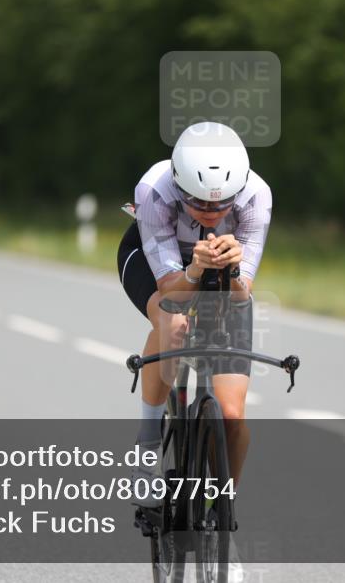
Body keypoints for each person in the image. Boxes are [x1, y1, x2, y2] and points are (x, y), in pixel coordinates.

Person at [117, 122, 272, 499]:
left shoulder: (256, 196)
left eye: (222, 204)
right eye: (198, 203)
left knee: (233, 416)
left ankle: (224, 520)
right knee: (172, 323)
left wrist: (234, 271)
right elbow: (171, 289)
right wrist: (193, 269)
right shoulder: (154, 189)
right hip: (157, 262)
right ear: (178, 185)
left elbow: (240, 296)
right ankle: (148, 447)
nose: (211, 212)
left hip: (221, 270)